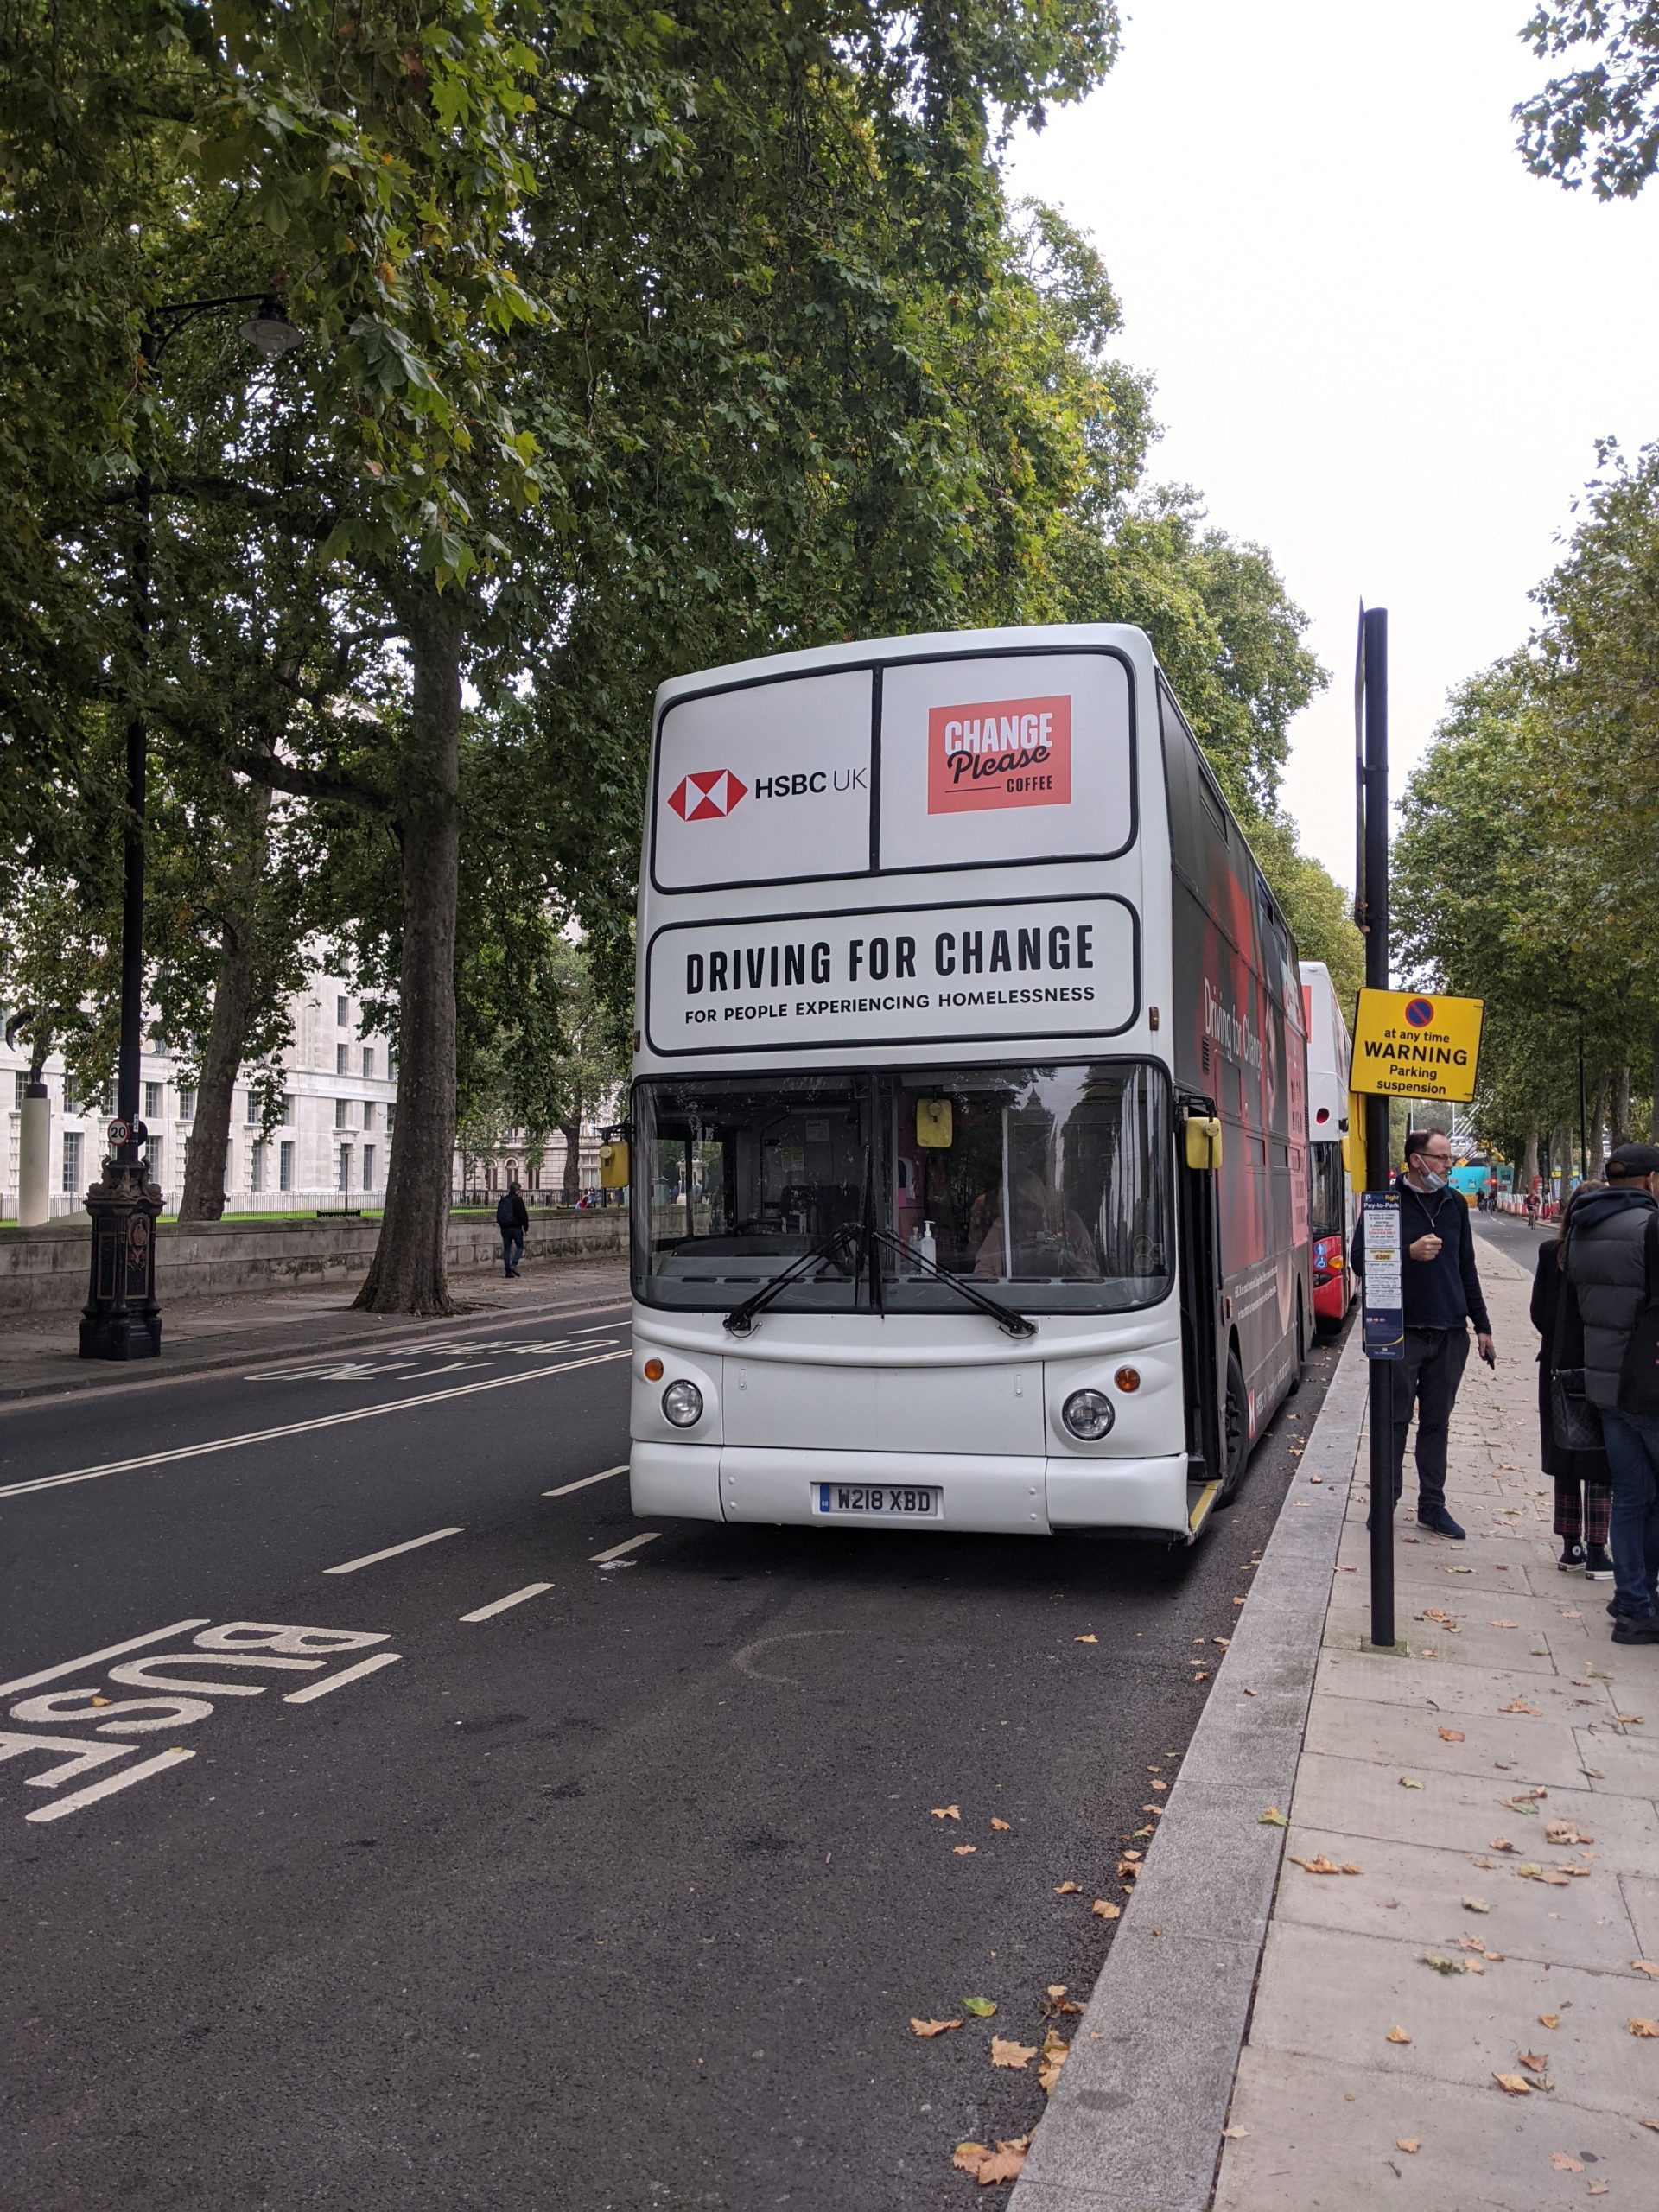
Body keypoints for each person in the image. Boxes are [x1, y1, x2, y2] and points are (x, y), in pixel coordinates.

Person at [1355, 1126, 1496, 1539]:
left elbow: (1465, 1266)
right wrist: (1407, 1254)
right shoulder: (1387, 1204)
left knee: (1437, 1423)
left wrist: (1482, 1324)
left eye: (1449, 1159)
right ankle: (1385, 1505)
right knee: (1394, 1421)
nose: (1448, 1166)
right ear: (1417, 1161)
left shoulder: (1454, 1204)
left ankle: (1432, 1506)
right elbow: (1361, 1261)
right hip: (1401, 1331)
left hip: (1450, 1332)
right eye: (1442, 1158)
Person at [1563, 1141, 1659, 1644]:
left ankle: (1632, 1602)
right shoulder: (1649, 1228)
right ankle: (1638, 1599)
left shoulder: (1583, 1227)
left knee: (1630, 1496)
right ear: (1649, 1181)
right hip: (1646, 1384)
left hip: (1604, 1384)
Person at [1530, 1181, 1612, 1578]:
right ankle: (1599, 1548)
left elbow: (1538, 1314)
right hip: (1600, 1365)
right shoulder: (1606, 1255)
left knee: (1565, 1454)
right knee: (1600, 1460)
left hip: (1557, 1366)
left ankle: (1570, 1545)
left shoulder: (1552, 1253)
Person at [496, 1179, 529, 1277]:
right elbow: (523, 1215)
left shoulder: (504, 1200)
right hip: (516, 1228)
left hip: (505, 1228)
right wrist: (526, 1228)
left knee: (507, 1249)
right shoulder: (518, 1200)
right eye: (519, 1190)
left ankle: (508, 1271)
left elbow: (499, 1214)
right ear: (517, 1190)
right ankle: (514, 1264)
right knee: (520, 1246)